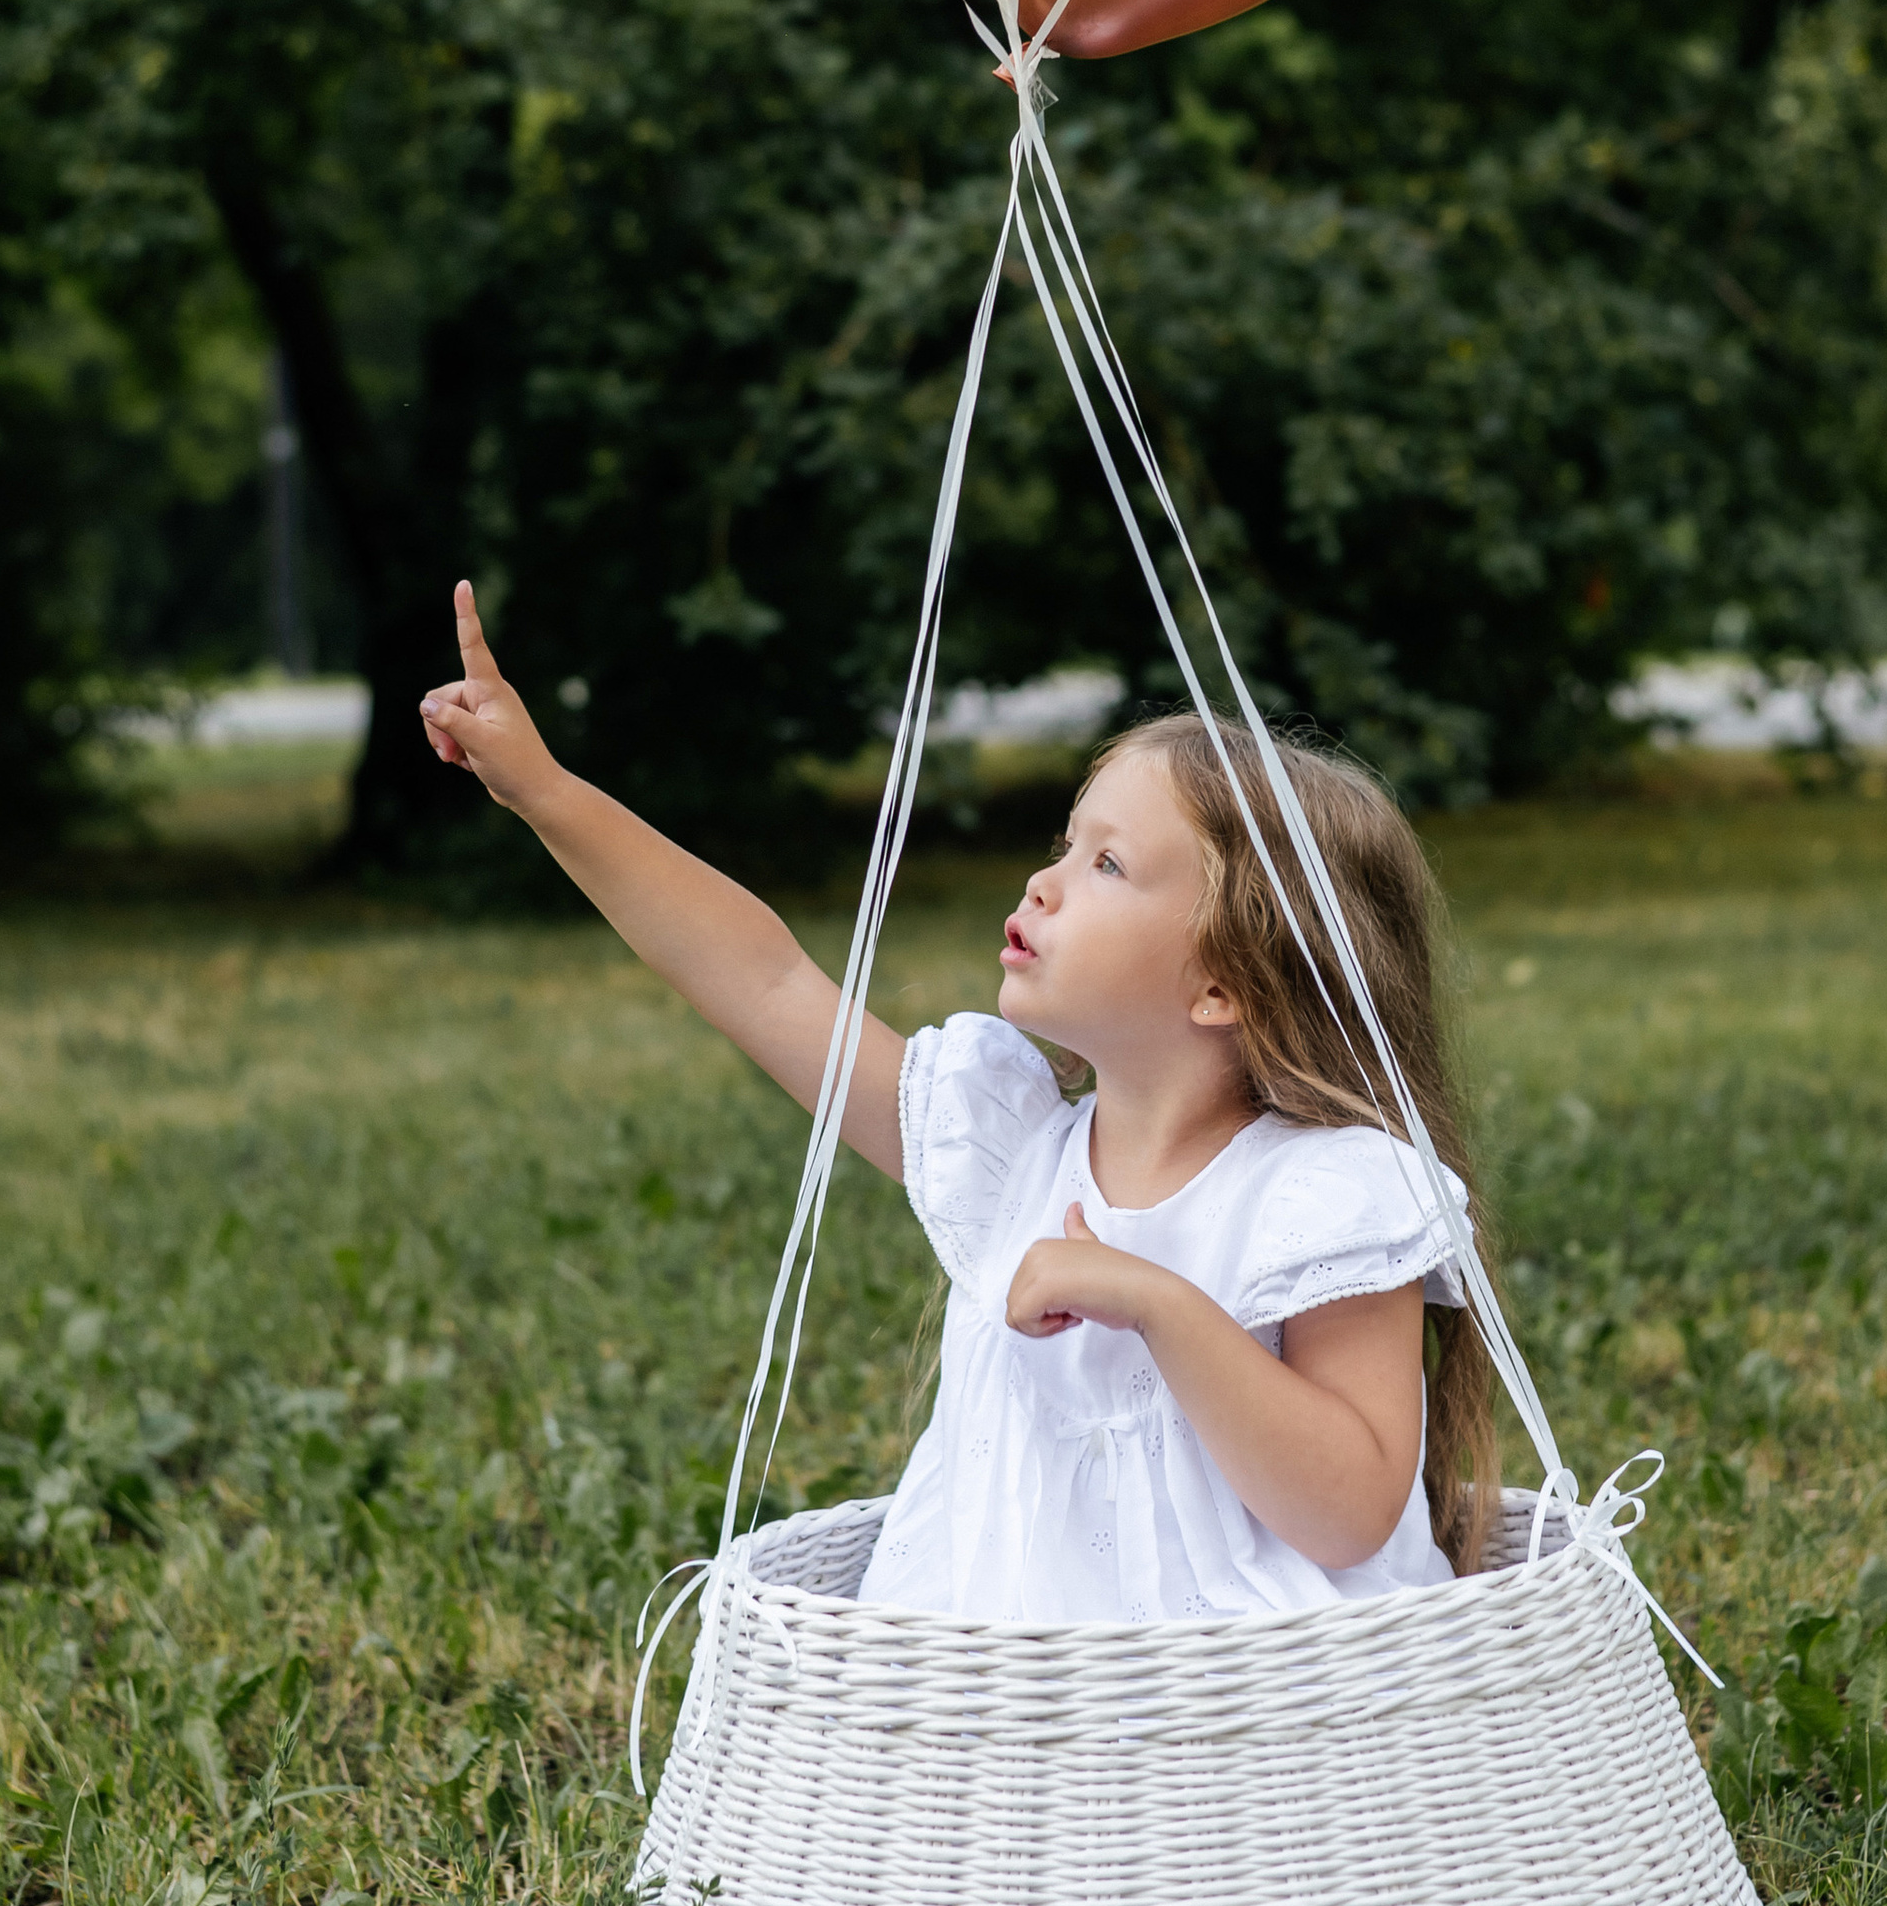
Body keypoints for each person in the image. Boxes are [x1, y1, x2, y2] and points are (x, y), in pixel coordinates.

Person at [420, 580, 1502, 1621]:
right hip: (1013, 1717)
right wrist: (545, 792)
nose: (1044, 883)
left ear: (1226, 983)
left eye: (1109, 865)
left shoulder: (1327, 1193)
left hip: (1251, 1716)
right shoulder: (1009, 1157)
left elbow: (1352, 1511)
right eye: (1062, 847)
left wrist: (1158, 1303)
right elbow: (764, 981)